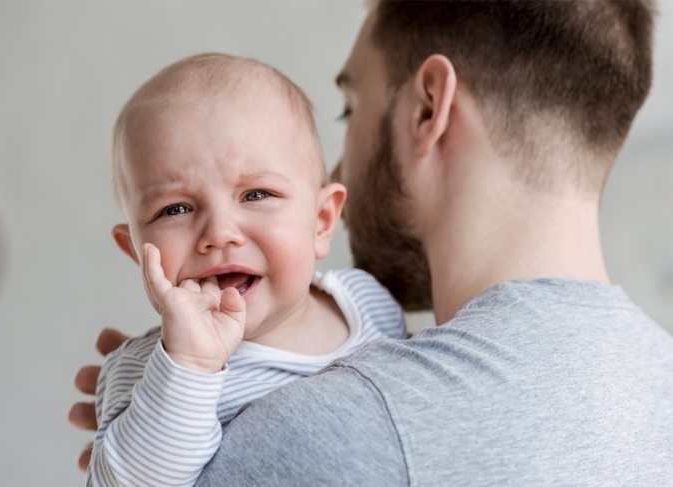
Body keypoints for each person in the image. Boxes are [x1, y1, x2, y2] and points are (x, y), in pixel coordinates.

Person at [71, 1, 673, 484]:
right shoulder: (658, 381)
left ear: (428, 108)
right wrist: (170, 389)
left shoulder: (341, 430)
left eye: (348, 107)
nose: (341, 164)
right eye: (176, 208)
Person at [84, 53, 406, 487]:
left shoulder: (369, 304)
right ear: (136, 253)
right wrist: (190, 366)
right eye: (175, 209)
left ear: (322, 221)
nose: (219, 233)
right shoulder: (147, 371)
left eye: (256, 194)